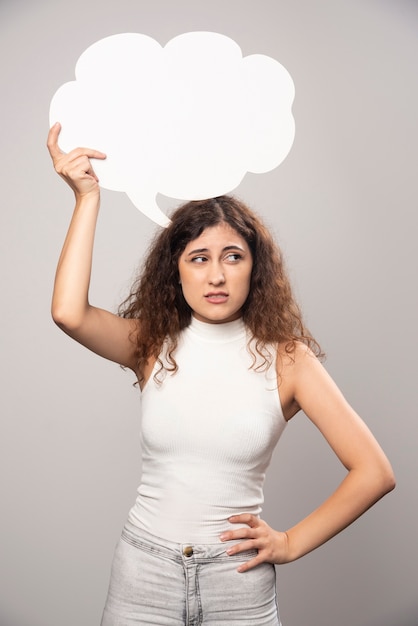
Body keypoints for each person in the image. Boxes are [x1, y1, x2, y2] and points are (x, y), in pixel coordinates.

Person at [47, 122, 395, 626]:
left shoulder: (288, 359)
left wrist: (291, 542)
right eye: (199, 258)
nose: (216, 275)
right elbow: (68, 313)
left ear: (255, 268)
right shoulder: (152, 346)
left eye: (233, 256)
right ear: (177, 270)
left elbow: (374, 472)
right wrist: (86, 198)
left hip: (238, 583)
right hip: (143, 575)